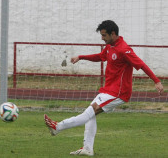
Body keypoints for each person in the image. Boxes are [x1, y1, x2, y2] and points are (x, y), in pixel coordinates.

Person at [44, 20, 164, 156]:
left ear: (113, 34)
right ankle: (87, 148)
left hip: (118, 92)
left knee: (89, 113)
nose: (102, 38)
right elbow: (100, 57)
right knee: (90, 115)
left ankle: (58, 127)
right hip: (108, 90)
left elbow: (141, 64)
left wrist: (156, 81)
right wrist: (81, 57)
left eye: (104, 35)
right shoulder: (110, 46)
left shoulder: (124, 49)